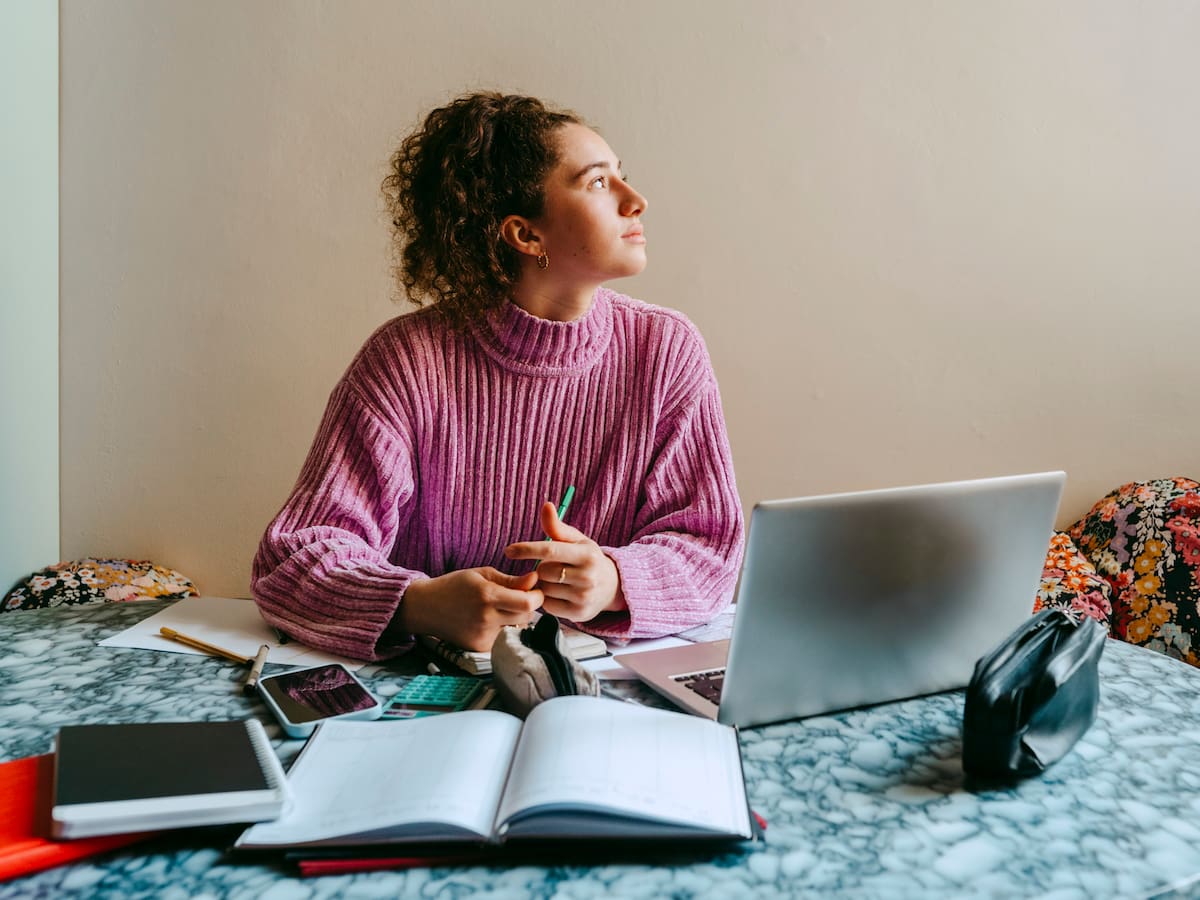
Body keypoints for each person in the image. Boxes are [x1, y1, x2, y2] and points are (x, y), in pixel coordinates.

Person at [251, 92, 744, 661]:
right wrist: (418, 603)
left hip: (595, 696)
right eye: (598, 183)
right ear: (525, 235)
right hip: (425, 693)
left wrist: (613, 580)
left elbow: (710, 549)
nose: (636, 201)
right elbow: (292, 560)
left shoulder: (665, 350)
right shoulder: (407, 361)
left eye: (622, 177)